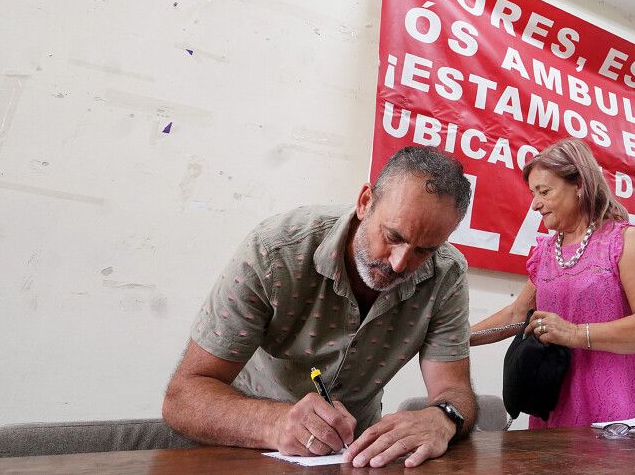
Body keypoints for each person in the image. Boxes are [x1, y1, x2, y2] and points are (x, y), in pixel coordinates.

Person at [163, 146, 477, 469]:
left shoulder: (446, 274)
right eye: (392, 236)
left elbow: (454, 389)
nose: (399, 263)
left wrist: (444, 417)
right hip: (249, 449)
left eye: (423, 251)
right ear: (365, 202)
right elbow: (183, 397)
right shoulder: (274, 252)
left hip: (353, 459)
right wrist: (275, 423)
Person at [470, 138, 635, 428]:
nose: (535, 204)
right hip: (557, 408)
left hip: (620, 410)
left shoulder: (623, 240)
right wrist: (455, 340)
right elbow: (517, 315)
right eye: (533, 193)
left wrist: (575, 333)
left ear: (579, 184)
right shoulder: (545, 252)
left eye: (544, 191)